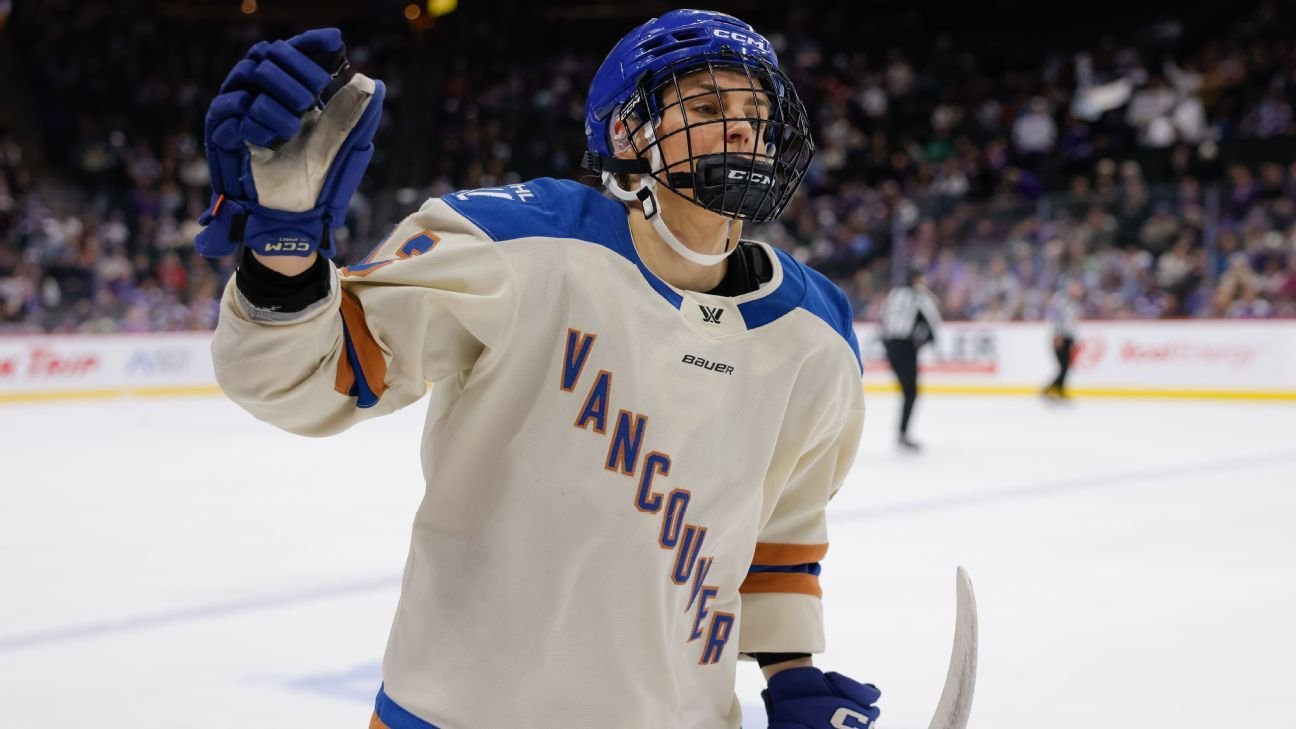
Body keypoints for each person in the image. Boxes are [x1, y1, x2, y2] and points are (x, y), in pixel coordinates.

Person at [195, 13, 881, 729]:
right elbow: (304, 378)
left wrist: (792, 677)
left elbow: (780, 537)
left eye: (756, 112)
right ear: (628, 134)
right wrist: (283, 252)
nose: (743, 129)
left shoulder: (815, 333)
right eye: (708, 107)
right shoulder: (518, 245)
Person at [879, 265, 942, 449]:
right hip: (905, 346)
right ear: (917, 279)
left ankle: (902, 433)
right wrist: (922, 342)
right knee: (911, 392)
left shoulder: (893, 294)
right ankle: (903, 434)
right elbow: (933, 321)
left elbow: (884, 317)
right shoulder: (919, 295)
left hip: (889, 345)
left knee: (907, 391)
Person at [1044, 279, 1084, 400]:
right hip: (1060, 337)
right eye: (1077, 288)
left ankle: (1059, 390)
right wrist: (1057, 335)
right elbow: (1055, 318)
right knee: (1063, 367)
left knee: (1066, 367)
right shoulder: (1061, 300)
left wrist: (1075, 339)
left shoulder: (1076, 304)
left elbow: (1074, 323)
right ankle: (1049, 389)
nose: (1079, 291)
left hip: (1069, 337)